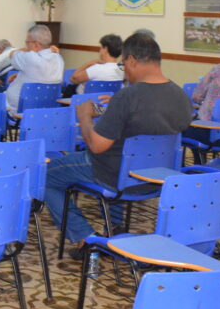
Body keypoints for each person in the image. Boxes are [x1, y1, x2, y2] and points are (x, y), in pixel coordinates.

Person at [43, 33, 193, 257]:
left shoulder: (128, 96)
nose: (125, 71)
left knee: (45, 175)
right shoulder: (180, 96)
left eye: (124, 66)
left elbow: (96, 146)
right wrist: (107, 111)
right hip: (155, 179)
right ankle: (114, 226)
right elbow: (146, 118)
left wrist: (84, 115)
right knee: (121, 157)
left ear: (131, 60)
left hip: (114, 174)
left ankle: (85, 237)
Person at [5, 25, 64, 111]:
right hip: (46, 110)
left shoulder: (30, 57)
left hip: (17, 109)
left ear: (36, 44)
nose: (26, 45)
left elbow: (12, 54)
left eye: (27, 42)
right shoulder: (58, 59)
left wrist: (27, 49)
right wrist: (18, 75)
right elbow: (41, 76)